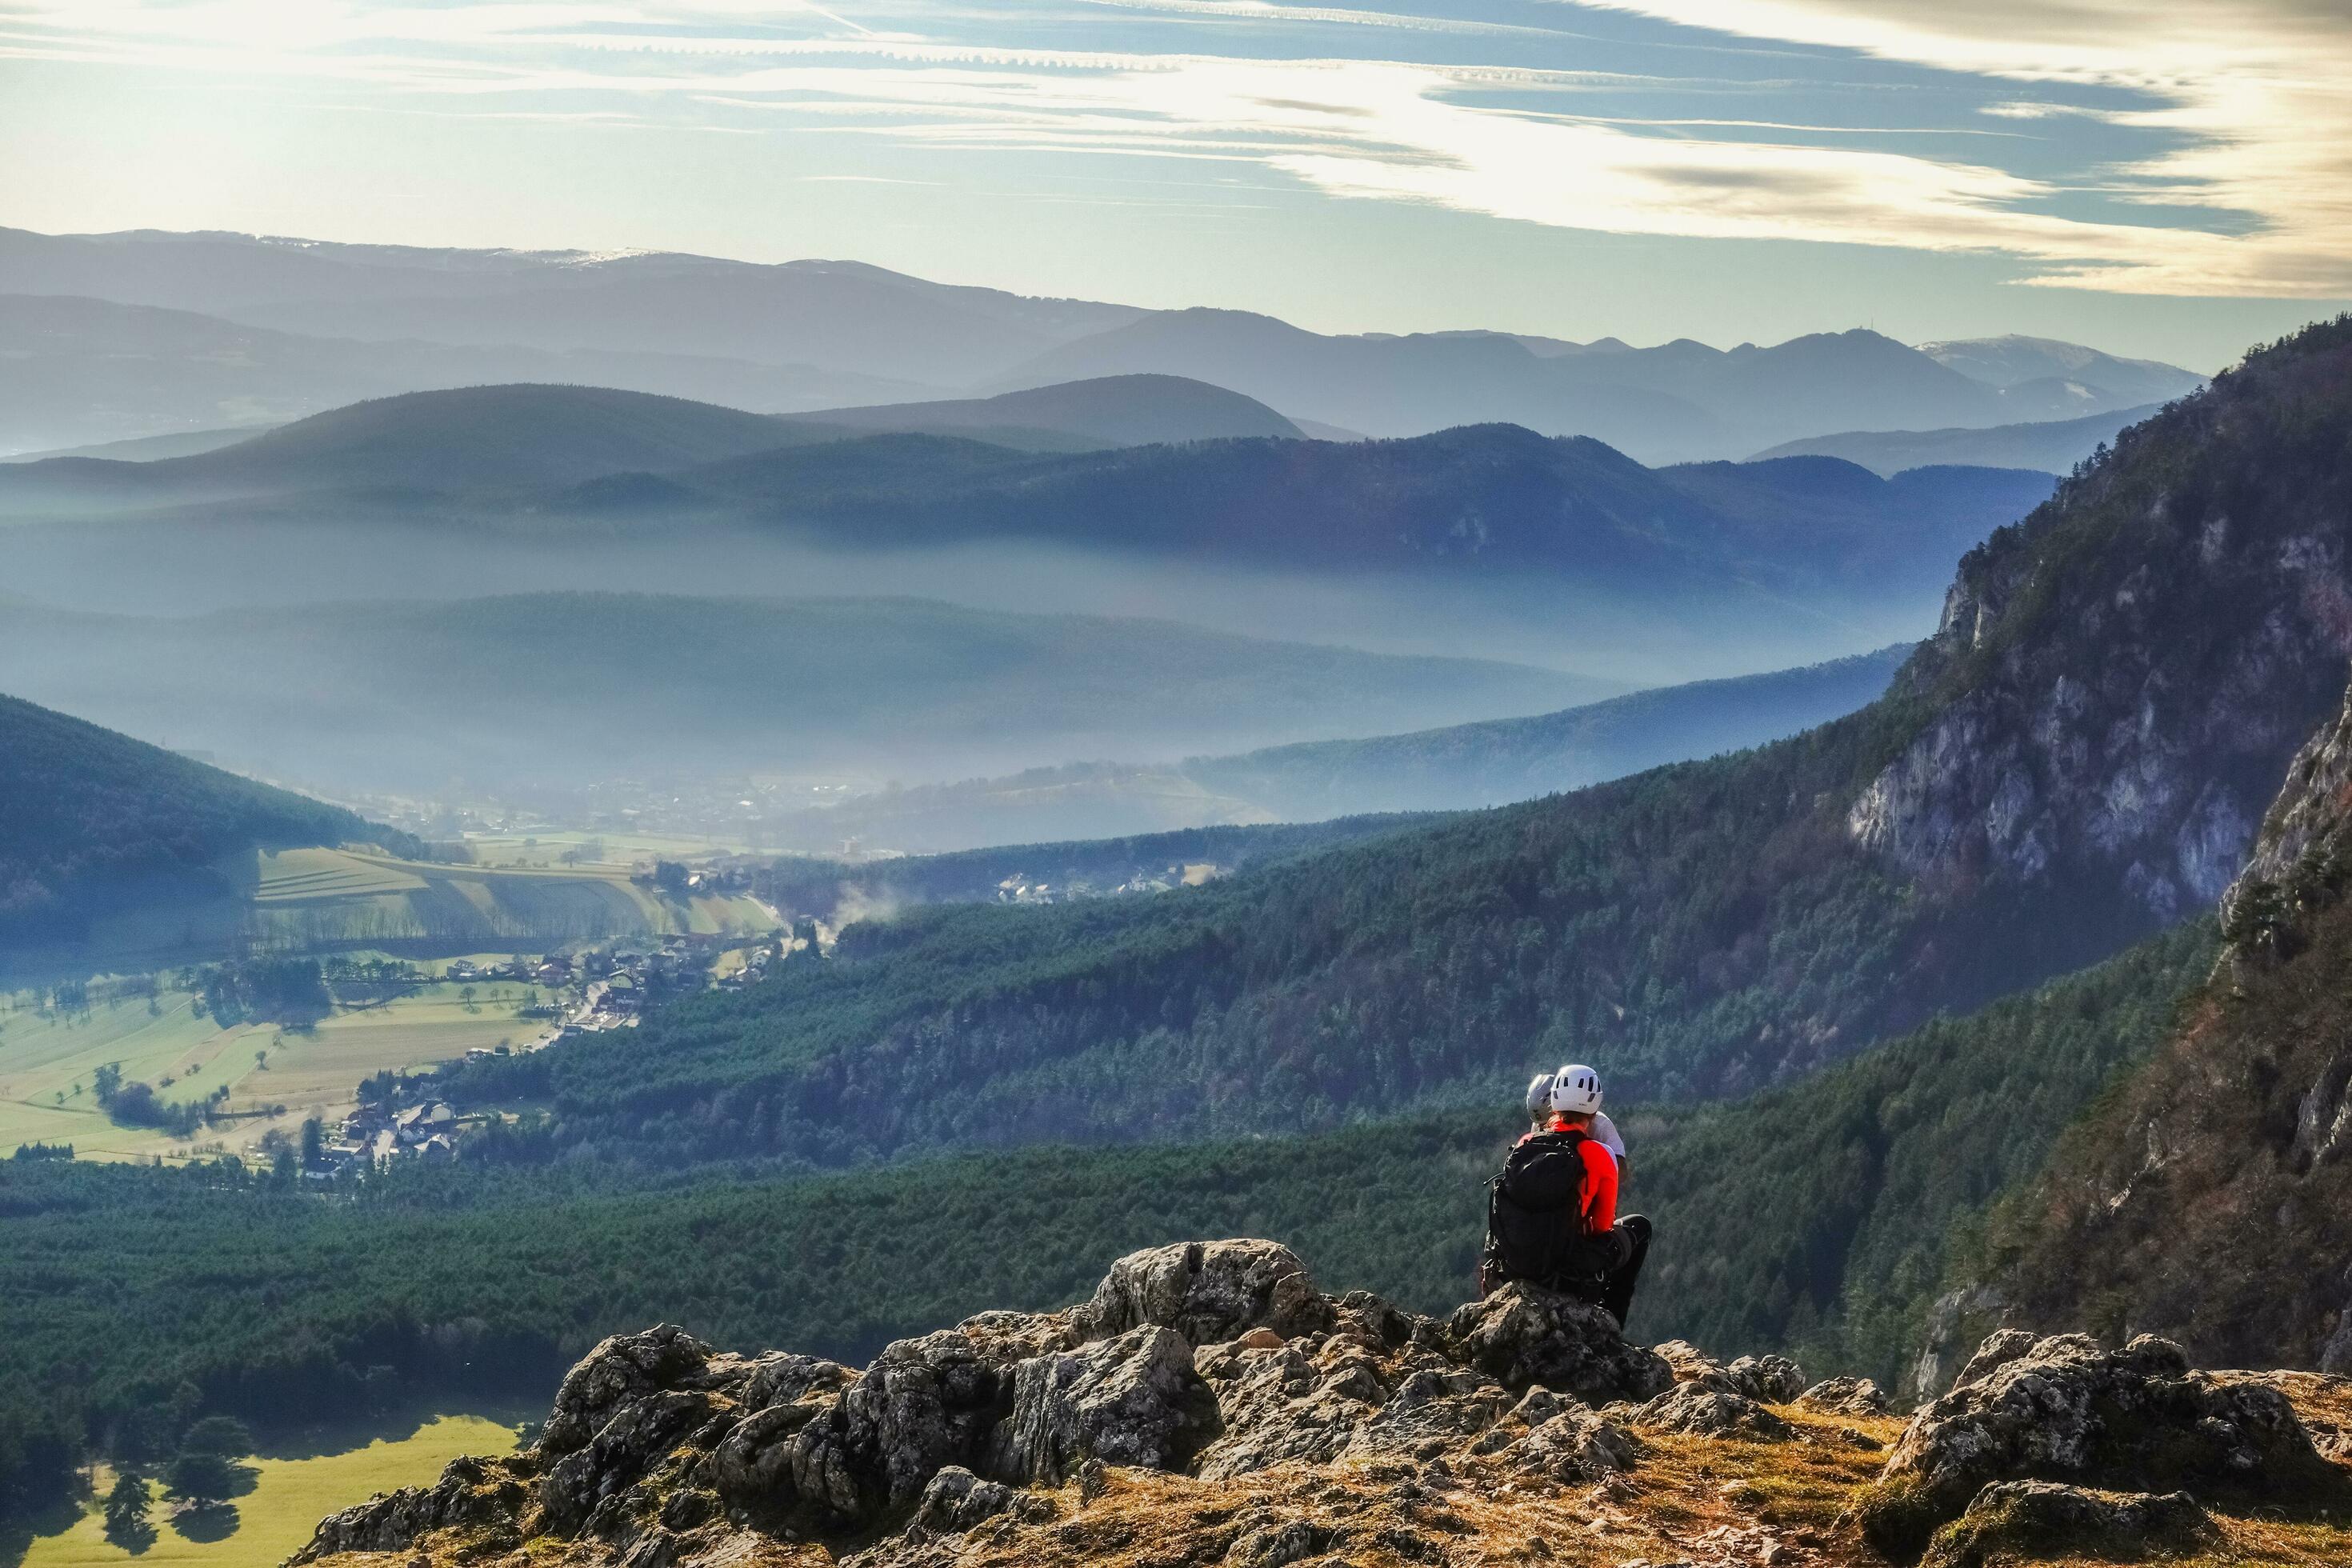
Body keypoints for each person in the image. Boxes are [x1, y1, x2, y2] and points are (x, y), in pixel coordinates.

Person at [1482, 1063, 1650, 1327]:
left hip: (1515, 1268)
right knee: (1640, 1227)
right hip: (1564, 1275)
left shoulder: (1525, 1144)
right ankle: (1611, 1323)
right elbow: (1602, 1226)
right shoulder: (1600, 1154)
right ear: (1595, 1108)